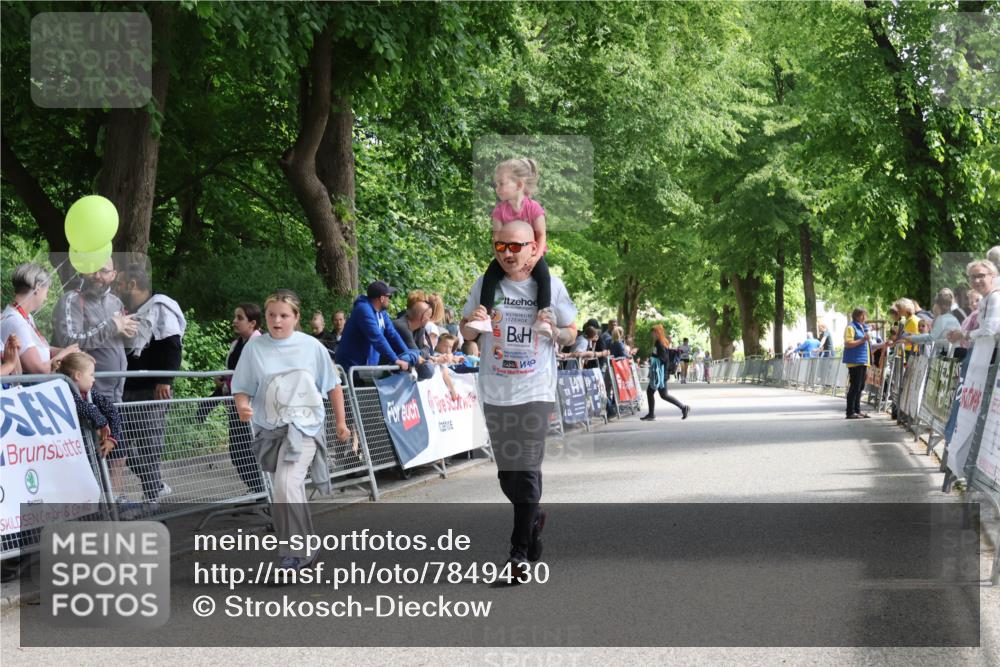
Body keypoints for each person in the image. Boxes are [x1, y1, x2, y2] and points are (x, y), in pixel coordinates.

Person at [461, 221, 577, 583]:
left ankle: (519, 555)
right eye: (500, 247)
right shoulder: (485, 285)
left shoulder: (551, 286)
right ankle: (534, 516)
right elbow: (464, 332)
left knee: (525, 470)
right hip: (495, 388)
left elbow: (572, 333)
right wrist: (473, 324)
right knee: (508, 474)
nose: (508, 254)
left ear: (532, 248)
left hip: (534, 388)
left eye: (516, 246)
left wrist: (555, 332)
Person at [232, 290, 351, 575]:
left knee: (285, 485)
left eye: (284, 315)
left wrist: (341, 423)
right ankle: (309, 546)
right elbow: (241, 386)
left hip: (305, 428)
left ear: (296, 318)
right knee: (288, 490)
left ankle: (294, 555)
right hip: (270, 431)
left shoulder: (311, 347)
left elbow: (333, 385)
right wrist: (243, 406)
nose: (277, 320)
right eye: (272, 315)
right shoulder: (254, 348)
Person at [116, 263, 186, 503]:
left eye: (120, 284)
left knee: (149, 444)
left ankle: (152, 497)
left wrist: (165, 380)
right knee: (119, 444)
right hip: (126, 388)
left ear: (132, 285)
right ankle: (155, 485)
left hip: (151, 390)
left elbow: (173, 346)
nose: (117, 288)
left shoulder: (160, 307)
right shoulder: (126, 311)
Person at [471, 158, 554, 339]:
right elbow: (496, 239)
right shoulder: (499, 211)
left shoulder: (534, 208)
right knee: (490, 276)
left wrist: (535, 257)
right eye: (496, 184)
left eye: (501, 183)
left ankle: (543, 317)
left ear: (518, 184)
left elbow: (541, 235)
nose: (497, 188)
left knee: (544, 277)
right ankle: (484, 315)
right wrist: (500, 259)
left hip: (532, 253)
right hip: (506, 254)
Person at [52, 257, 138, 403]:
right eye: (92, 269)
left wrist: (130, 336)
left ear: (113, 275)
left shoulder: (116, 302)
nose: (97, 275)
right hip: (85, 395)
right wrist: (111, 326)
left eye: (103, 271)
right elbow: (69, 343)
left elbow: (126, 349)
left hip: (117, 394)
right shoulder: (71, 300)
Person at [54, 352, 126, 495]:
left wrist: (113, 438)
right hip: (69, 452)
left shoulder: (91, 393)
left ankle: (106, 504)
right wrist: (101, 422)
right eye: (91, 374)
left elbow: (112, 410)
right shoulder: (62, 390)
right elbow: (81, 406)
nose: (94, 379)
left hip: (89, 450)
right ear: (78, 376)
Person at [1, 263, 78, 374]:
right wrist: (64, 354)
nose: (46, 298)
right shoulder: (17, 321)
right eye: (46, 291)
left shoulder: (25, 317)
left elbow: (42, 349)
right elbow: (38, 370)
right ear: (37, 287)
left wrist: (70, 352)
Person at [221, 303, 265, 495]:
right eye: (235, 317)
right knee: (238, 451)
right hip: (235, 404)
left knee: (252, 450)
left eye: (240, 318)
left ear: (252, 323)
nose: (235, 321)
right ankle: (257, 489)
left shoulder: (260, 345)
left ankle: (264, 491)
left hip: (254, 406)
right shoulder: (236, 344)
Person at [335, 280, 420, 373]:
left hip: (365, 368)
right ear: (382, 298)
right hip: (351, 367)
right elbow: (377, 338)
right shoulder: (363, 309)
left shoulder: (381, 312)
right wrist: (395, 360)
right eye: (389, 296)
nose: (390, 300)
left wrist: (407, 353)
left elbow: (393, 334)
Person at [843, 307, 891, 419]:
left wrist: (883, 344)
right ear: (856, 316)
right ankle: (850, 412)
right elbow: (848, 343)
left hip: (863, 360)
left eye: (865, 315)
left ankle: (857, 410)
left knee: (860, 386)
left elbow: (870, 345)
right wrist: (863, 340)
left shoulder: (862, 328)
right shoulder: (851, 327)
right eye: (861, 315)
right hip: (855, 361)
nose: (864, 318)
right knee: (855, 386)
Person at [641, 324, 690, 421]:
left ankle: (652, 414)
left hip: (661, 373)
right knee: (663, 395)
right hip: (661, 373)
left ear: (657, 333)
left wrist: (653, 359)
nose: (652, 335)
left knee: (653, 392)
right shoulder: (661, 342)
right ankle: (683, 408)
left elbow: (664, 359)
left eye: (653, 333)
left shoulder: (660, 343)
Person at [947, 260, 999, 348]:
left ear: (992, 276)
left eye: (981, 275)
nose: (976, 280)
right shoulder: (985, 299)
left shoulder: (995, 297)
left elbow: (989, 331)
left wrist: (963, 334)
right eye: (972, 277)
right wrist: (957, 335)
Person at [385, 290, 433, 379]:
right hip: (383, 374)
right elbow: (416, 355)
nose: (429, 319)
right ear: (422, 317)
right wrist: (425, 349)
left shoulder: (420, 328)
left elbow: (425, 354)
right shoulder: (400, 326)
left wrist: (424, 351)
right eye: (428, 316)